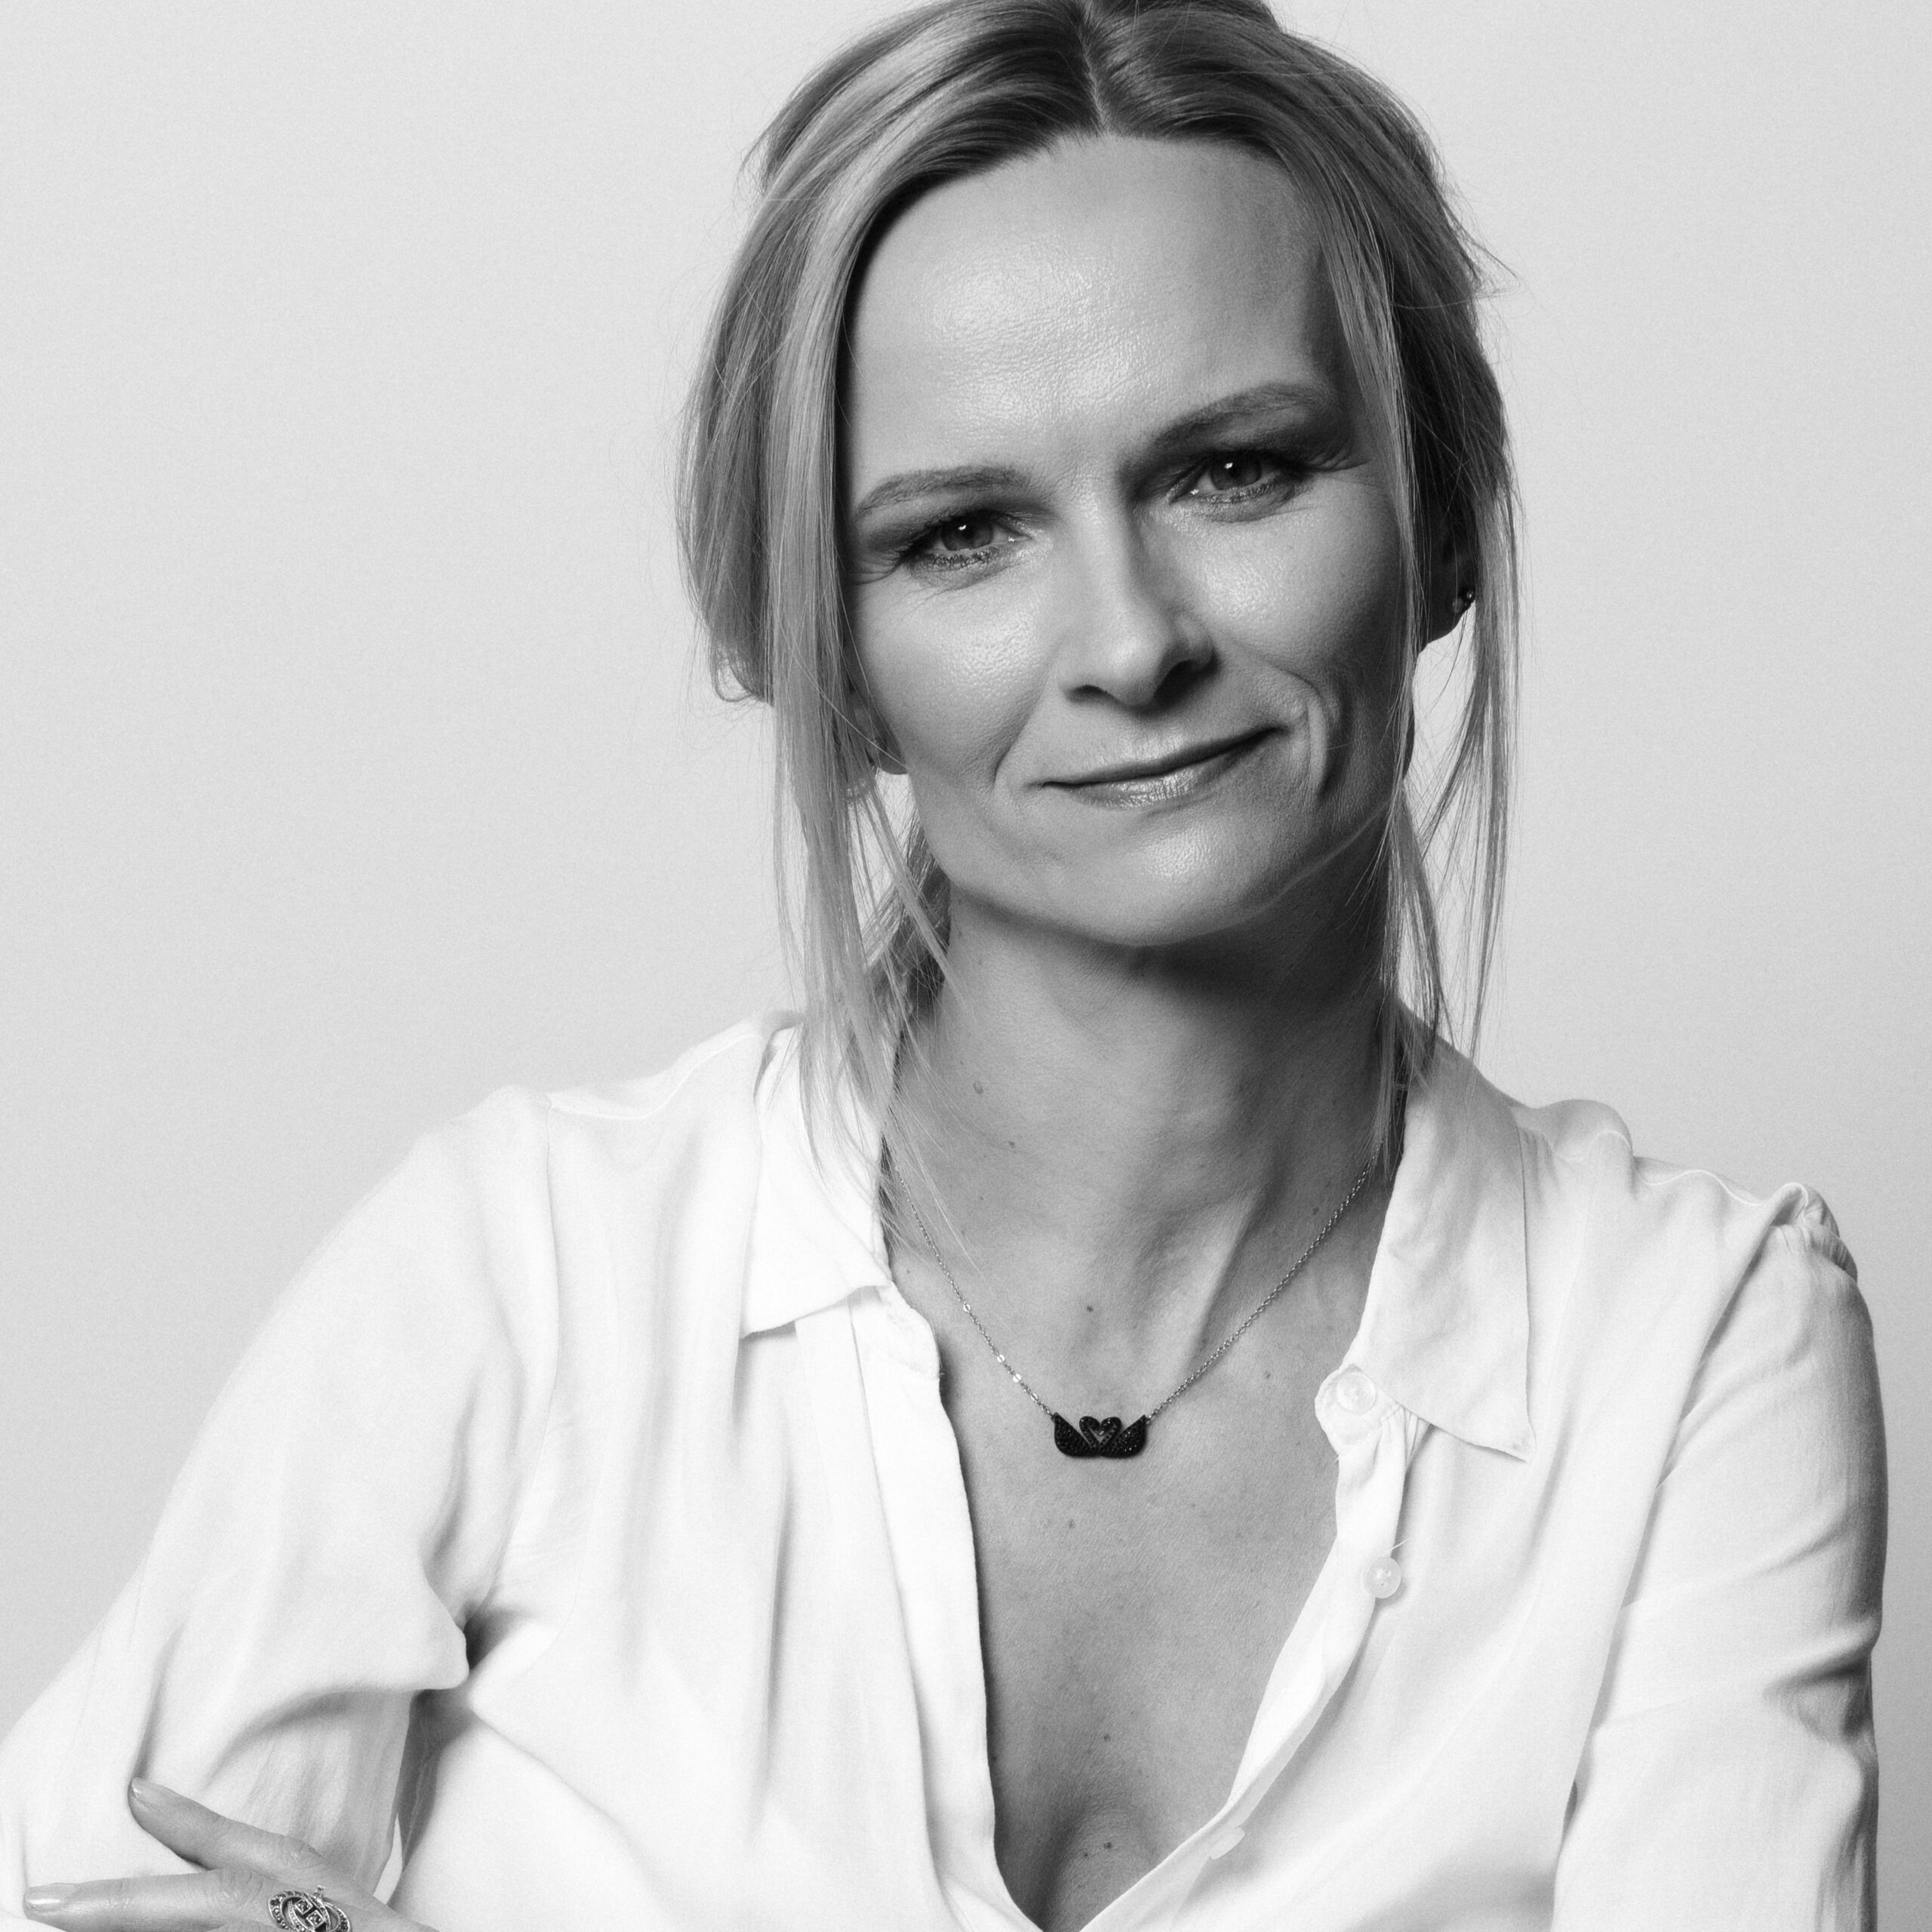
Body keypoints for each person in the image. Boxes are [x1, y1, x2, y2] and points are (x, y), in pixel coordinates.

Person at [0, 0, 1885, 1927]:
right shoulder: (520, 1281)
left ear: (1443, 518)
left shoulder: (1693, 1352)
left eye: (1232, 470)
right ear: (827, 660)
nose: (1130, 641)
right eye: (964, 533)